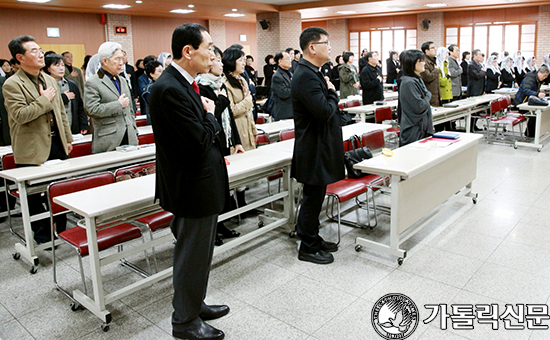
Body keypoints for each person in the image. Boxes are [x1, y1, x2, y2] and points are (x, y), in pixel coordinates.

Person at [148, 23, 229, 340]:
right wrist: (210, 115)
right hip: (191, 185)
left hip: (201, 181)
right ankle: (184, 322)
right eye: (208, 47)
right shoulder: (169, 89)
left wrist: (207, 116)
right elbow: (197, 140)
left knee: (200, 254)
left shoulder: (185, 83)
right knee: (191, 256)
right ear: (188, 51)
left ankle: (195, 304)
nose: (212, 53)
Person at [2, 35, 72, 243]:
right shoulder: (12, 84)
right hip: (32, 148)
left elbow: (61, 113)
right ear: (20, 57)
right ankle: (42, 236)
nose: (41, 54)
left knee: (60, 189)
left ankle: (61, 230)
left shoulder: (49, 79)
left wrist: (67, 137)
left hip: (57, 143)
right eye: (34, 51)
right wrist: (45, 100)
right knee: (35, 196)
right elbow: (20, 115)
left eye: (40, 50)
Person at [292, 27, 342, 265]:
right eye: (326, 42)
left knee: (317, 195)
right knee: (312, 198)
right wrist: (333, 93)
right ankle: (307, 246)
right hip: (312, 148)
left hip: (319, 145)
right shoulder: (305, 75)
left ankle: (314, 237)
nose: (330, 47)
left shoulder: (313, 72)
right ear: (312, 47)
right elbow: (323, 112)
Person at [196, 45, 244, 243]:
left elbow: (229, 116)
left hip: (224, 138)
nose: (219, 63)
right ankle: (212, 229)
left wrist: (237, 141)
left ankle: (221, 223)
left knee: (222, 186)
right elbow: (212, 113)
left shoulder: (219, 84)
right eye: (215, 59)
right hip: (212, 139)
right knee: (212, 189)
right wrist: (223, 100)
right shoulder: (202, 86)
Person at [83, 42, 138, 153]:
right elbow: (91, 110)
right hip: (108, 139)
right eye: (117, 59)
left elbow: (130, 109)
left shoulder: (122, 79)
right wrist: (118, 105)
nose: (121, 63)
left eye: (122, 59)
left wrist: (134, 129)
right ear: (105, 61)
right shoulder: (93, 82)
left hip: (129, 136)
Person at [43, 54, 88, 135]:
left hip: (73, 127)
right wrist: (63, 98)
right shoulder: (44, 86)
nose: (61, 68)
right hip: (54, 131)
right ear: (48, 68)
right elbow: (44, 106)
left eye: (62, 65)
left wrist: (84, 124)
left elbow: (80, 106)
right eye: (57, 65)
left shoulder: (72, 84)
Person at [222, 48, 256, 151]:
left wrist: (254, 130)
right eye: (240, 60)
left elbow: (249, 110)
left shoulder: (242, 80)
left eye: (244, 60)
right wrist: (248, 101)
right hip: (237, 130)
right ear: (231, 61)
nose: (244, 64)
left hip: (248, 129)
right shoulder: (225, 83)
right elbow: (231, 111)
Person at [397, 49, 433, 146]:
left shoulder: (417, 79)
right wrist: (428, 95)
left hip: (421, 127)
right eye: (421, 61)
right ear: (411, 63)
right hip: (413, 129)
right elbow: (420, 106)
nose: (424, 63)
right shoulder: (408, 82)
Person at [514, 65, 549, 137]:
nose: (544, 78)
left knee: (541, 112)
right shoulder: (530, 79)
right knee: (536, 114)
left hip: (529, 102)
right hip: (521, 102)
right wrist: (537, 94)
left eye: (546, 76)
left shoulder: (537, 80)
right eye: (544, 75)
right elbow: (526, 90)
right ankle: (530, 134)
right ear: (539, 72)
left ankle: (536, 133)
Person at [271, 51, 293, 121]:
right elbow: (284, 93)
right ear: (280, 61)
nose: (290, 60)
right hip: (284, 113)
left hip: (293, 112)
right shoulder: (277, 76)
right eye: (288, 58)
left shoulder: (290, 73)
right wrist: (297, 88)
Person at [420, 41, 440, 107]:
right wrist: (436, 70)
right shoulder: (424, 62)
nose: (435, 49)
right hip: (429, 95)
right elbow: (428, 77)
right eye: (432, 48)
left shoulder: (433, 60)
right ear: (426, 51)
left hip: (435, 94)